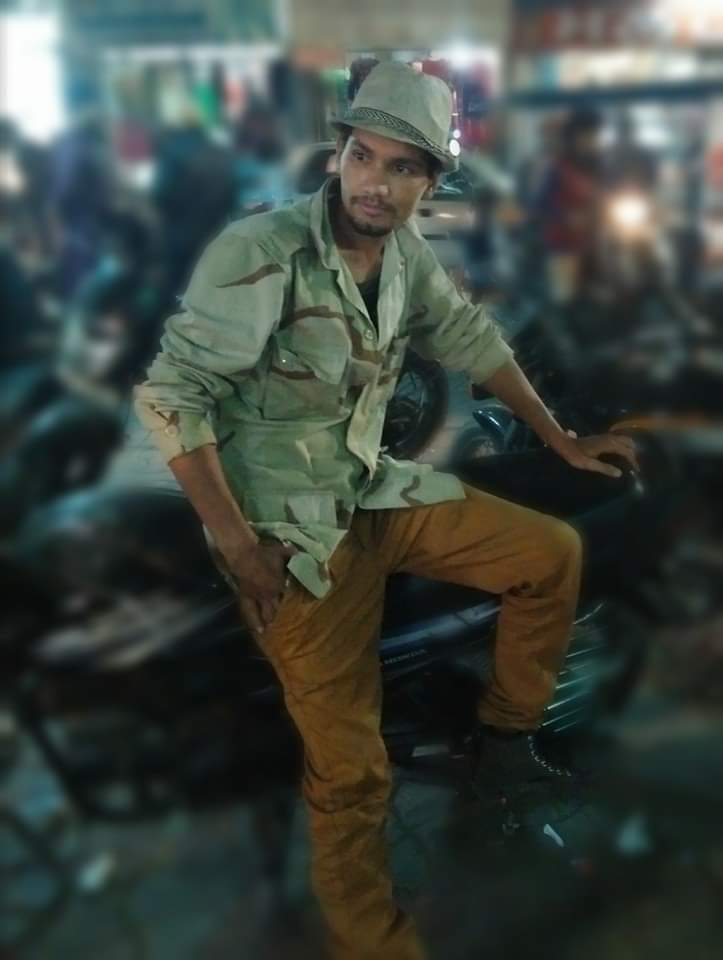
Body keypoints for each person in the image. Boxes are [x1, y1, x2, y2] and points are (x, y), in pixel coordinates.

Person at [134, 63, 637, 960]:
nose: (375, 182)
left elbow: (470, 338)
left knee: (550, 554)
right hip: (284, 531)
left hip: (372, 488)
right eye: (363, 156)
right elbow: (173, 398)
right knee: (354, 775)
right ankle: (371, 943)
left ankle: (502, 746)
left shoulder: (404, 255)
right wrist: (238, 545)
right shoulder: (259, 252)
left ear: (429, 182)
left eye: (403, 167)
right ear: (338, 154)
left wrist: (559, 439)